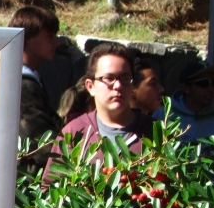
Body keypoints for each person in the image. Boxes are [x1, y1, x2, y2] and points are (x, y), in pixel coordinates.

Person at [45, 42, 153, 178]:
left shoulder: (156, 133)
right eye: (109, 78)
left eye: (125, 78)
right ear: (90, 86)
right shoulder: (74, 132)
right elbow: (50, 188)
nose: (118, 85)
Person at [9, 6, 62, 170]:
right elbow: (40, 141)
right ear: (28, 38)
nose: (56, 43)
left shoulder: (26, 77)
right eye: (49, 37)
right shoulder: (21, 84)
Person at [166, 59, 214, 142]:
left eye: (213, 83)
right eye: (204, 83)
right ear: (186, 88)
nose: (211, 89)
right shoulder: (164, 116)